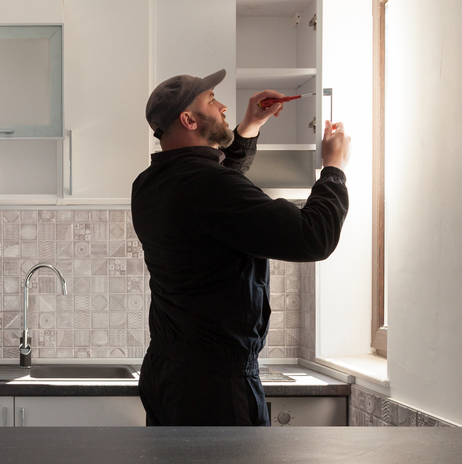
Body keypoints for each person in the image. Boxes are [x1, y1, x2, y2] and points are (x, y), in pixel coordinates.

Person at [131, 69, 351, 426]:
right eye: (211, 101)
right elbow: (314, 236)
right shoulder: (207, 186)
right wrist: (334, 169)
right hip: (215, 387)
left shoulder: (149, 184)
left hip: (167, 373)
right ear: (188, 119)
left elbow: (221, 182)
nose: (222, 107)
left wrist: (250, 126)